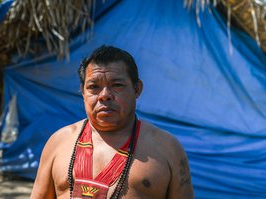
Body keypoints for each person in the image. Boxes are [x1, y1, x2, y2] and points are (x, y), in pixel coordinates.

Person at [30, 46, 194, 199]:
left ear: (137, 89)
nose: (105, 95)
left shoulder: (167, 148)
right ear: (82, 92)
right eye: (94, 86)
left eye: (117, 85)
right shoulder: (59, 142)